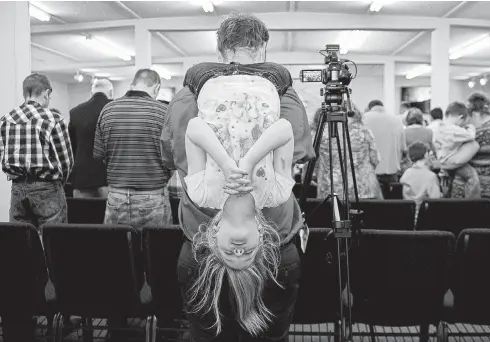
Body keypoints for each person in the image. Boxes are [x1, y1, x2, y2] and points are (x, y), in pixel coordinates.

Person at [160, 12, 314, 342]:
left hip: (202, 239)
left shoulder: (189, 92)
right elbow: (299, 149)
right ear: (262, 49)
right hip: (274, 241)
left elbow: (172, 153)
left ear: (220, 51)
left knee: (208, 333)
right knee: (268, 334)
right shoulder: (282, 91)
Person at [0, 73, 73, 341]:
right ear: (45, 92)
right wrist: (57, 182)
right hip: (47, 189)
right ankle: (58, 311)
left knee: (18, 255)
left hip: (17, 189)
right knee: (53, 251)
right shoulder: (52, 118)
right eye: (49, 95)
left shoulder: (6, 119)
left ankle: (23, 314)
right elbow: (66, 161)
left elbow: (3, 155)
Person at [94, 69, 172, 228]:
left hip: (116, 197)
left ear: (132, 84)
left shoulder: (107, 110)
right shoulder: (164, 112)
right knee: (157, 251)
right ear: (156, 88)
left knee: (117, 251)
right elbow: (172, 158)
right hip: (153, 197)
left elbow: (99, 155)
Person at [446, 93, 490, 201]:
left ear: (475, 114)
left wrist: (439, 162)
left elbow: (455, 162)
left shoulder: (478, 134)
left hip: (469, 194)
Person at [314, 106, 383, 200]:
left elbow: (312, 162)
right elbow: (375, 159)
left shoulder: (321, 132)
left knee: (332, 214)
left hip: (330, 188)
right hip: (364, 188)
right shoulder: (364, 131)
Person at [69, 78, 113, 198]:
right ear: (111, 93)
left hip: (82, 177)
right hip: (108, 178)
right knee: (107, 216)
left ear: (91, 93)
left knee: (83, 215)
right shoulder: (114, 111)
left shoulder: (75, 112)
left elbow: (72, 147)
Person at [433, 102, 481, 199]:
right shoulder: (454, 129)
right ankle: (473, 202)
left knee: (450, 182)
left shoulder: (439, 128)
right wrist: (470, 127)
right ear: (460, 117)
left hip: (442, 158)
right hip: (451, 158)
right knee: (472, 177)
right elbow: (471, 136)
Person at [364, 99, 406, 198]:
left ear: (369, 108)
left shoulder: (364, 119)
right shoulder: (397, 120)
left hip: (370, 172)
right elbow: (403, 148)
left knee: (373, 207)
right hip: (392, 170)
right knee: (392, 206)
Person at [400, 142, 441, 222]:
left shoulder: (407, 173)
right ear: (425, 155)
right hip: (425, 218)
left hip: (408, 217)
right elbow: (436, 201)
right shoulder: (431, 176)